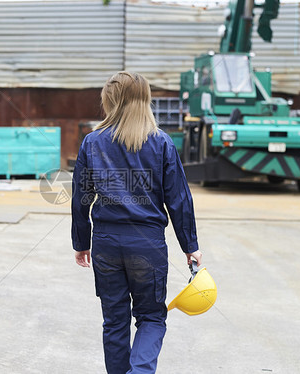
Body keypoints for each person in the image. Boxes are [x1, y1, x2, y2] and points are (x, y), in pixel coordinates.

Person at [71, 71, 202, 374]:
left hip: (106, 244)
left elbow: (81, 198)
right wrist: (190, 245)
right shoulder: (162, 143)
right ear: (145, 101)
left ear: (110, 102)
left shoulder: (92, 143)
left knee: (114, 320)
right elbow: (179, 199)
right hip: (147, 244)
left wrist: (82, 241)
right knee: (151, 317)